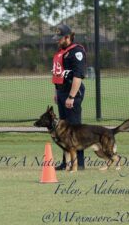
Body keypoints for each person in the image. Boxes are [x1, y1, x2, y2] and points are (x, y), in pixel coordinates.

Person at [51, 24, 86, 170]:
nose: (58, 41)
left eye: (60, 38)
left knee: (74, 129)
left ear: (67, 37)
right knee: (63, 129)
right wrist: (57, 92)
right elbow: (59, 74)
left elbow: (78, 76)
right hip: (62, 92)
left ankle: (80, 163)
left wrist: (71, 97)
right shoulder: (62, 52)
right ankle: (66, 162)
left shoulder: (76, 52)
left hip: (72, 93)